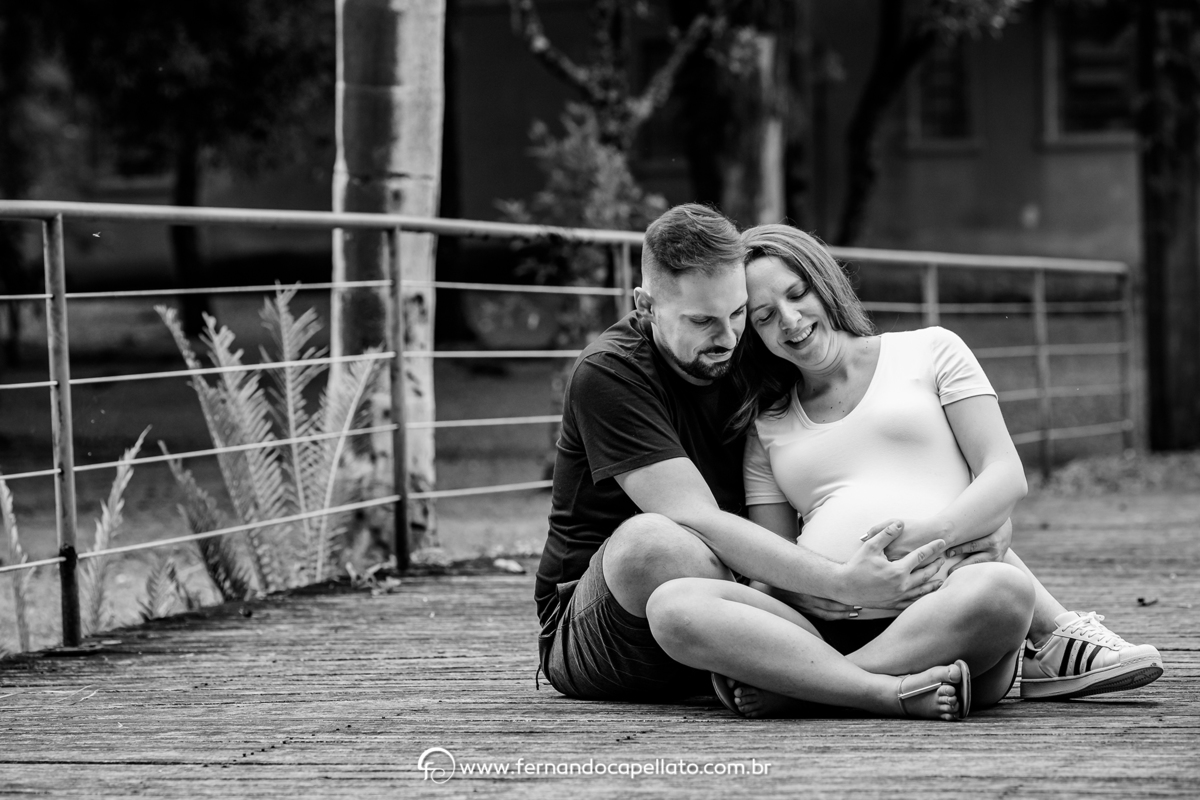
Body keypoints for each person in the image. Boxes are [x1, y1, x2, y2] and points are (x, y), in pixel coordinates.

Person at [700, 223, 1163, 716]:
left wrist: (931, 539)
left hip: (950, 616)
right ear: (752, 332)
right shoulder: (768, 425)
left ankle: (814, 687)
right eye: (766, 316)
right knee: (685, 602)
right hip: (826, 624)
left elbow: (1005, 472)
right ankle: (876, 686)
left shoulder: (930, 350)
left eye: (798, 293)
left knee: (1005, 589)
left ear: (824, 281)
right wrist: (817, 587)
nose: (791, 321)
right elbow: (772, 556)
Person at [537, 204, 979, 721]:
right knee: (656, 543)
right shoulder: (609, 373)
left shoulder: (755, 355)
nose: (726, 337)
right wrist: (837, 581)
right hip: (608, 632)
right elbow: (695, 520)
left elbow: (869, 461)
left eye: (739, 313)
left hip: (746, 612)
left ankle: (809, 673)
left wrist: (972, 524)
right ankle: (869, 688)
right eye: (701, 321)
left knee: (989, 599)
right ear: (646, 304)